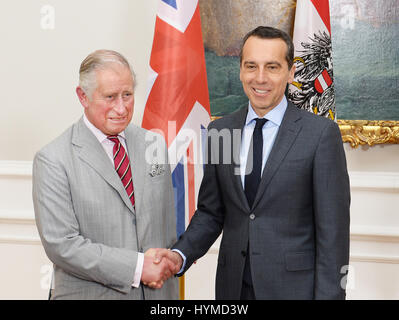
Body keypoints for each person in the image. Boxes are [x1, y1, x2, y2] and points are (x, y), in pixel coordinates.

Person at [155, 26, 350, 299]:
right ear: (240, 70)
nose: (260, 78)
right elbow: (212, 212)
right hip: (233, 289)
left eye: (272, 67)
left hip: (294, 291)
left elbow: (334, 235)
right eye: (251, 66)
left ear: (290, 72)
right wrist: (179, 255)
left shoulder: (320, 135)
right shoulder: (219, 131)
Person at [32, 50, 179, 299]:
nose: (121, 108)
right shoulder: (53, 159)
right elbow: (62, 245)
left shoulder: (155, 144)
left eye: (128, 95)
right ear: (83, 96)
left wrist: (175, 256)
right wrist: (136, 267)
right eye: (110, 97)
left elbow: (164, 228)